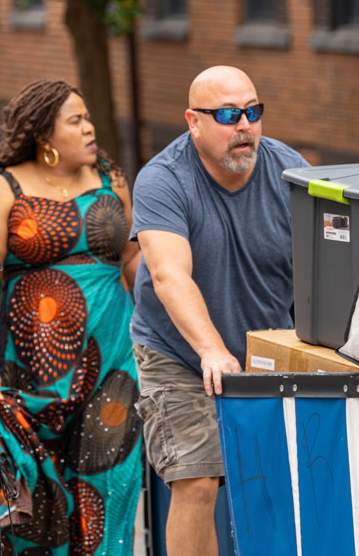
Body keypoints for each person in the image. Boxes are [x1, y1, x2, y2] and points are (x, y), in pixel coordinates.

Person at [0, 80, 143, 556]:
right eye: (76, 120)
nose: (90, 128)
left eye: (88, 117)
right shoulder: (3, 187)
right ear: (44, 134)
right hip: (32, 372)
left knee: (110, 487)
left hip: (114, 361)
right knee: (43, 498)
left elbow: (135, 260)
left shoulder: (111, 177)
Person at [130, 66, 308, 556]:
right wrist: (211, 350)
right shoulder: (163, 180)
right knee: (198, 480)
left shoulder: (289, 170)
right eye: (229, 114)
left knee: (274, 482)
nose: (244, 125)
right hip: (180, 354)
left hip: (266, 348)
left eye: (253, 111)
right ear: (194, 121)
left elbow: (322, 266)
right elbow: (168, 275)